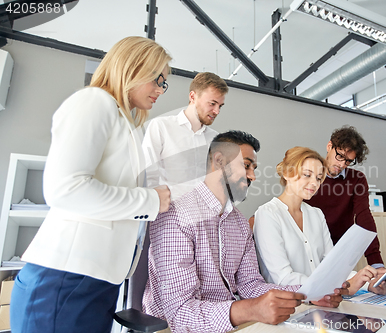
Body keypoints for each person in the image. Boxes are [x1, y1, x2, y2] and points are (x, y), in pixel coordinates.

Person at [10, 36, 172, 333]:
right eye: (158, 78)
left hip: (97, 280)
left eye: (165, 82)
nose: (161, 89)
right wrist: (150, 201)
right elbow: (66, 189)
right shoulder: (94, 102)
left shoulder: (129, 124)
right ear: (133, 67)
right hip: (66, 278)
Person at [143, 132, 349, 333]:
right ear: (219, 161)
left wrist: (308, 294)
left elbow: (251, 285)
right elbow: (180, 314)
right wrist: (249, 309)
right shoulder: (176, 215)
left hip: (231, 322)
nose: (253, 176)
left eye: (254, 168)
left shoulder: (239, 223)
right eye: (246, 165)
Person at [253, 147, 386, 295]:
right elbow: (283, 278)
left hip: (322, 300)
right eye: (307, 175)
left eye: (318, 178)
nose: (314, 183)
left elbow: (332, 265)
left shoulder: (316, 214)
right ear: (287, 173)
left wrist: (367, 282)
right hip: (288, 305)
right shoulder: (267, 214)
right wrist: (344, 285)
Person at [306, 126, 385, 268]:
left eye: (348, 161)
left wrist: (376, 263)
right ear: (329, 146)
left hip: (339, 251)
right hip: (308, 249)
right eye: (340, 156)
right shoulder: (309, 174)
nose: (342, 164)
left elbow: (364, 217)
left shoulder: (357, 179)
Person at [142, 72, 228, 201]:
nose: (217, 111)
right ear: (193, 97)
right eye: (212, 104)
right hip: (168, 213)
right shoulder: (161, 127)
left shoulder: (216, 139)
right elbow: (148, 175)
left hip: (205, 215)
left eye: (220, 106)